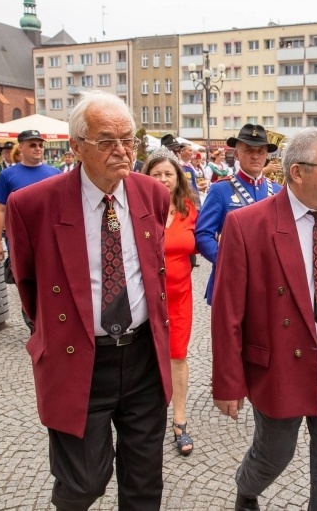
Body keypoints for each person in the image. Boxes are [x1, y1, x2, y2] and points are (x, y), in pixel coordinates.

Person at [5, 91, 173, 510]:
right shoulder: (32, 204)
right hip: (78, 356)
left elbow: (152, 273)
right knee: (83, 483)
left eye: (129, 140)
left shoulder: (153, 194)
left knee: (144, 482)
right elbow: (28, 284)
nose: (122, 151)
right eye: (106, 141)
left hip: (143, 358)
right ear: (77, 147)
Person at [211, 128, 317, 511]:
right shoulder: (247, 225)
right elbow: (227, 311)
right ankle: (246, 490)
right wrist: (228, 382)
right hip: (280, 366)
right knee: (274, 455)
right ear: (297, 172)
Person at [143, 153, 198, 457]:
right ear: (146, 177)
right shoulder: (136, 209)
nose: (163, 179)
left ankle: (179, 419)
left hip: (180, 295)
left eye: (169, 174)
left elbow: (204, 240)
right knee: (147, 356)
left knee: (178, 355)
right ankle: (147, 418)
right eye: (157, 174)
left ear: (178, 178)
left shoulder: (188, 209)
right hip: (146, 296)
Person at [195, 123, 282, 305]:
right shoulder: (221, 190)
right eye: (249, 150)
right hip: (232, 279)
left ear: (266, 155)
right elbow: (203, 234)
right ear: (236, 154)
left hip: (270, 281)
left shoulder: (278, 190)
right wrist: (225, 261)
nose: (256, 155)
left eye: (261, 151)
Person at [0, 131, 60, 270]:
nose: (38, 148)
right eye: (32, 145)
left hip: (49, 239)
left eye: (40, 145)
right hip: (19, 238)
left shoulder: (56, 173)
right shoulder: (7, 175)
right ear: (21, 147)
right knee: (23, 280)